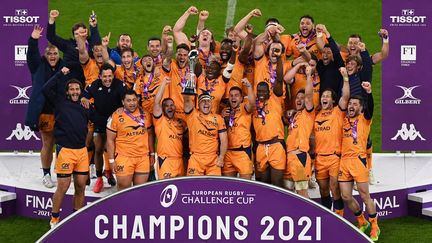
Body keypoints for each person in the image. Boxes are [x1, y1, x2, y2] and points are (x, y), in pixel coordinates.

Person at [43, 67, 93, 228]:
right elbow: (45, 89)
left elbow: (95, 120)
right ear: (67, 92)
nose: (75, 91)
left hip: (82, 152)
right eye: (71, 89)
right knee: (63, 186)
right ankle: (54, 219)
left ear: (81, 91)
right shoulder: (59, 103)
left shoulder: (85, 106)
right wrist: (59, 74)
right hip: (65, 151)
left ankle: (75, 218)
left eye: (77, 89)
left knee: (80, 186)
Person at [338, 82, 380, 241]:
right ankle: (362, 221)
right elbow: (342, 100)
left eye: (355, 104)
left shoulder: (364, 119)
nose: (351, 106)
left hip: (359, 160)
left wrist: (369, 92)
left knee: (364, 195)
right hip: (344, 161)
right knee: (346, 196)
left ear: (360, 108)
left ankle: (375, 226)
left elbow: (371, 109)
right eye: (350, 103)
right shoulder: (343, 119)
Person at [25, 25, 64, 188]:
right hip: (45, 113)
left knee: (63, 144)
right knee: (48, 143)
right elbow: (31, 56)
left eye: (55, 53)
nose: (53, 56)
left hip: (62, 111)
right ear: (45, 55)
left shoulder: (64, 65)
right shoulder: (38, 65)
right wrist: (33, 40)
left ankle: (63, 173)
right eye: (50, 53)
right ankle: (46, 174)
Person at [81, 64, 126, 192]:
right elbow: (83, 96)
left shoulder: (119, 85)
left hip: (115, 123)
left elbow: (127, 99)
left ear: (113, 75)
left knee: (116, 151)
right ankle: (99, 178)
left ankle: (114, 174)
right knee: (99, 149)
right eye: (104, 76)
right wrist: (84, 99)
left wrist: (123, 107)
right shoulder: (94, 85)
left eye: (109, 76)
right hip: (99, 122)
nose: (107, 79)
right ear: (100, 76)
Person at [313, 67, 350, 215]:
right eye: (323, 96)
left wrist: (346, 78)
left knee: (334, 187)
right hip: (320, 157)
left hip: (334, 157)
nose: (324, 98)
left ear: (333, 100)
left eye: (328, 96)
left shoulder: (337, 112)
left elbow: (346, 96)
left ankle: (339, 217)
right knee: (323, 189)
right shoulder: (316, 114)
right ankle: (327, 215)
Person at [106, 90, 155, 190]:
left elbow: (150, 135)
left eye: (134, 100)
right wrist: (111, 161)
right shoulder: (115, 116)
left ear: (137, 100)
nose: (132, 103)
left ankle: (136, 206)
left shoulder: (145, 114)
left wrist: (152, 154)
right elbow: (110, 140)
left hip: (142, 158)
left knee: (140, 190)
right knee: (123, 189)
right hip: (124, 158)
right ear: (123, 102)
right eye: (128, 101)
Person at [284, 65, 315, 198]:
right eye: (297, 98)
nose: (299, 100)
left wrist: (309, 76)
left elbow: (308, 97)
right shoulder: (295, 115)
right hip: (289, 157)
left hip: (299, 157)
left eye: (302, 98)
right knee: (288, 194)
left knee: (302, 194)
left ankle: (309, 217)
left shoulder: (308, 114)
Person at [47, 10, 101, 82]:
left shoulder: (92, 44)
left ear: (86, 32)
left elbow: (97, 44)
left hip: (90, 80)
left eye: (81, 32)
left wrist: (93, 26)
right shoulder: (68, 45)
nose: (79, 36)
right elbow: (51, 37)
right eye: (76, 34)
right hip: (71, 82)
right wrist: (52, 19)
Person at [183, 92, 228, 176]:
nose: (206, 103)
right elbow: (186, 101)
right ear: (198, 105)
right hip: (196, 158)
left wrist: (221, 157)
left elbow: (224, 140)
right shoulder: (193, 115)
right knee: (192, 187)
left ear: (211, 104)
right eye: (203, 101)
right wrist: (187, 84)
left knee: (214, 188)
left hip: (213, 159)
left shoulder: (218, 118)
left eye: (208, 101)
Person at [153, 77, 187, 179]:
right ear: (163, 109)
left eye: (172, 105)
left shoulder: (181, 122)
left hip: (180, 160)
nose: (170, 107)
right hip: (166, 161)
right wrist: (163, 83)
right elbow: (156, 102)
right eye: (167, 106)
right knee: (166, 190)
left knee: (181, 190)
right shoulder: (160, 121)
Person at [221, 79, 256, 179]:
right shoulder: (225, 111)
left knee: (246, 187)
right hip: (228, 152)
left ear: (241, 98)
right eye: (231, 95)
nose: (233, 97)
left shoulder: (244, 108)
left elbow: (252, 104)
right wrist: (222, 117)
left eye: (236, 95)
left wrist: (249, 86)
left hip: (243, 152)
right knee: (228, 187)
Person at [314, 24, 345, 98]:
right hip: (323, 102)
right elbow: (320, 45)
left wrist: (326, 32)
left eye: (328, 53)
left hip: (335, 103)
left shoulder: (338, 65)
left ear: (333, 55)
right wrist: (318, 33)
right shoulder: (319, 65)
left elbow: (336, 52)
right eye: (324, 52)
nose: (325, 55)